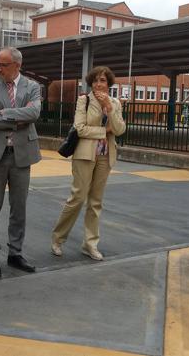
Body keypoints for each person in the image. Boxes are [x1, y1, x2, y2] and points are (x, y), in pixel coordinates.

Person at [0, 47, 41, 278]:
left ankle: (15, 254)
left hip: (22, 155)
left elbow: (34, 114)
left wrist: (4, 114)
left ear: (17, 66)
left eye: (3, 65)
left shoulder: (32, 87)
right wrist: (16, 119)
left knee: (19, 208)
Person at [50, 66, 126, 261]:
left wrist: (109, 108)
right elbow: (80, 128)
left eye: (102, 80)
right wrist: (103, 131)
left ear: (109, 83)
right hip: (84, 155)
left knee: (96, 202)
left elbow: (119, 129)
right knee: (77, 198)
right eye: (95, 81)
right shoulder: (84, 100)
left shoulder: (115, 103)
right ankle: (58, 238)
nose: (98, 84)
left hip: (105, 155)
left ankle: (90, 244)